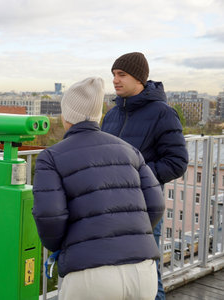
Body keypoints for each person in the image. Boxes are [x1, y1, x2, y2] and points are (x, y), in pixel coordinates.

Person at [32, 77, 165, 300]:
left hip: (90, 275)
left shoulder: (51, 157)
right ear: (98, 115)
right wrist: (133, 233)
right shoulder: (130, 150)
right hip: (143, 272)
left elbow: (49, 215)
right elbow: (156, 205)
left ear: (66, 117)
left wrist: (63, 246)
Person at [101, 52, 189, 300]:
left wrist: (136, 176)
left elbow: (177, 162)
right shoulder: (112, 114)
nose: (115, 80)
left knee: (149, 275)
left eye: (122, 75)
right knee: (115, 273)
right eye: (114, 75)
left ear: (139, 78)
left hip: (144, 206)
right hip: (110, 205)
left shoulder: (163, 113)